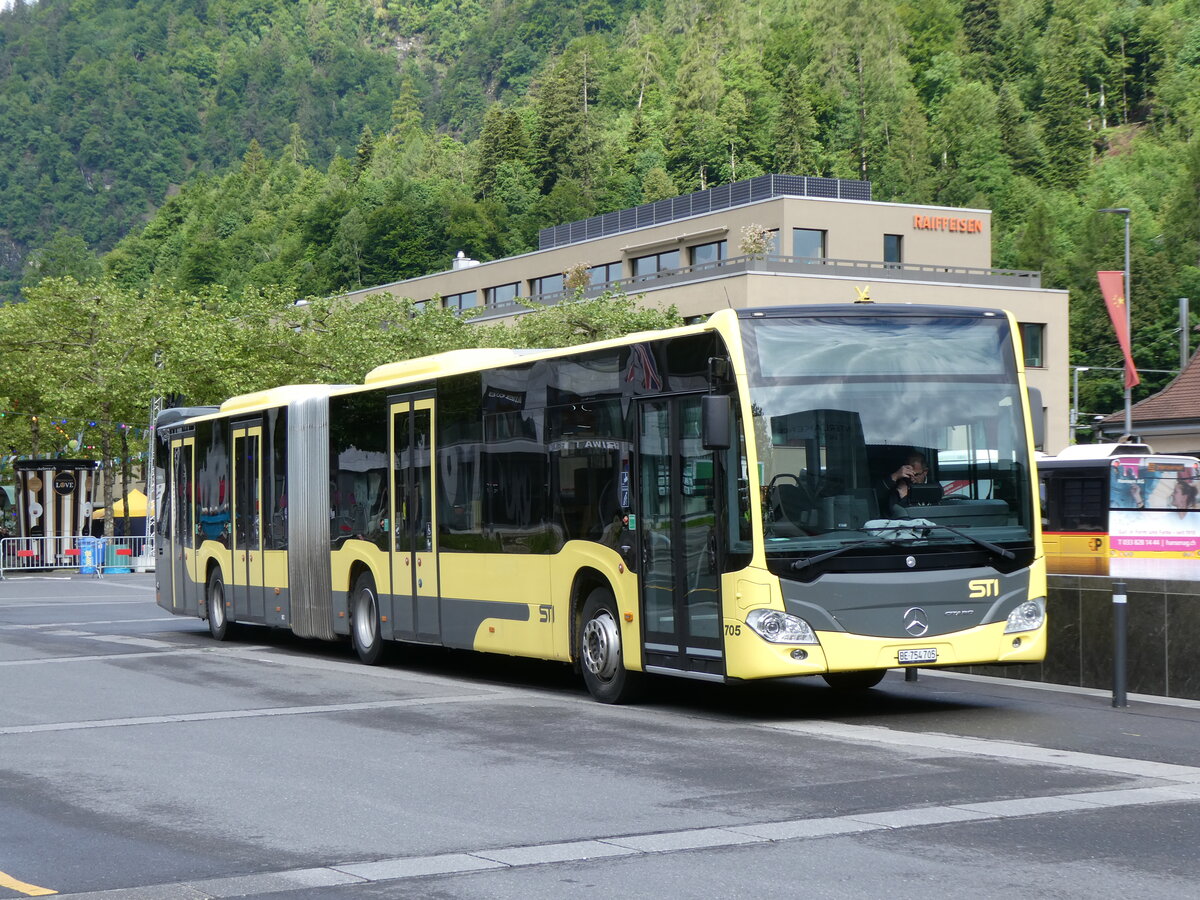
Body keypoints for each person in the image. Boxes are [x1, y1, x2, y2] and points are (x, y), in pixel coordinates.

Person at [879, 451, 941, 515]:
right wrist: (896, 475)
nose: (911, 479)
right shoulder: (899, 488)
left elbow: (930, 514)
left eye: (915, 475)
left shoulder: (935, 488)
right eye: (908, 474)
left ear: (925, 471)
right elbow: (894, 515)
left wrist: (905, 498)